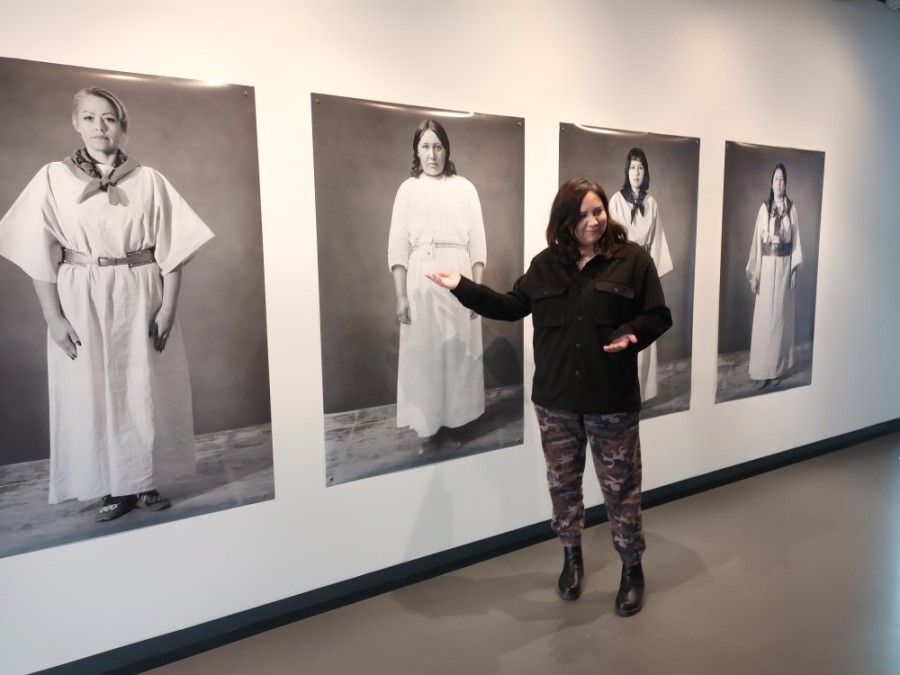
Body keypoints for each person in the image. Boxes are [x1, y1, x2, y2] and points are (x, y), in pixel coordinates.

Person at [427, 178, 672, 616]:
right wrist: (462, 285)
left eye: (598, 211)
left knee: (622, 491)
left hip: (611, 401)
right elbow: (509, 306)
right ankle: (571, 558)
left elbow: (658, 315)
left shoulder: (633, 260)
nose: (593, 221)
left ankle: (632, 568)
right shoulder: (545, 266)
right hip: (556, 403)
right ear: (564, 221)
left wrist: (632, 332)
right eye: (581, 215)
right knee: (563, 487)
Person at [0, 86, 214, 522]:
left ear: (122, 126)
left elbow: (172, 250)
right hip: (81, 293)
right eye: (90, 117)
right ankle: (111, 487)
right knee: (92, 389)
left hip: (141, 292)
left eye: (110, 118)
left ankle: (145, 479)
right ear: (75, 123)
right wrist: (53, 316)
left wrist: (168, 308)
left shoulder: (149, 179)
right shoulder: (52, 178)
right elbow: (38, 251)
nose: (100, 126)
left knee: (144, 387)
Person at [387, 119, 487, 449]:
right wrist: (401, 296)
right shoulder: (408, 190)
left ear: (447, 150)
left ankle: (459, 421)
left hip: (459, 274)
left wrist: (477, 292)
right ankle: (429, 423)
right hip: (421, 277)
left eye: (438, 146)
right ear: (416, 151)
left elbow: (478, 242)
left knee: (459, 349)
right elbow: (398, 246)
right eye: (425, 147)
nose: (432, 154)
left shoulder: (465, 188)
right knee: (427, 351)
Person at [608, 147, 672, 401]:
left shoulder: (651, 203)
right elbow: (610, 242)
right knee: (624, 327)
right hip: (622, 270)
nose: (636, 173)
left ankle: (644, 391)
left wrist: (652, 274)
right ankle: (622, 390)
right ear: (627, 171)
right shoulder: (616, 201)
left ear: (646, 172)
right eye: (632, 167)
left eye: (641, 167)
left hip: (644, 270)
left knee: (644, 325)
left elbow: (657, 241)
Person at [745, 162, 801, 389]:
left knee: (779, 319)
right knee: (765, 319)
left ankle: (777, 369)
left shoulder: (791, 209)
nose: (779, 183)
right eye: (776, 179)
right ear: (771, 183)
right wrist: (755, 275)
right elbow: (757, 244)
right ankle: (762, 372)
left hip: (785, 267)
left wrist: (794, 271)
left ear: (786, 184)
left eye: (782, 179)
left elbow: (796, 241)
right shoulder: (764, 209)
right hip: (767, 267)